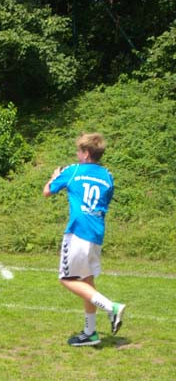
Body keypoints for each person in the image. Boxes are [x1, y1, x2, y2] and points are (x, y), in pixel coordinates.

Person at [43, 133, 125, 346]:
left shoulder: (73, 171)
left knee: (67, 279)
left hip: (78, 231)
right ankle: (90, 333)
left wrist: (54, 176)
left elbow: (47, 192)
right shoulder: (107, 175)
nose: (77, 155)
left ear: (86, 153)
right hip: (97, 232)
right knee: (86, 280)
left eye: (79, 151)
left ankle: (111, 307)